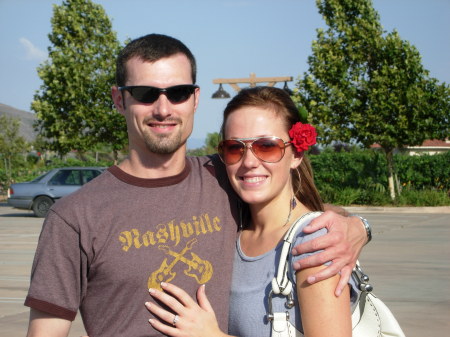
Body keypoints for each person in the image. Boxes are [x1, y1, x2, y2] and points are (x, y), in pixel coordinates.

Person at [25, 34, 369, 337]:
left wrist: (355, 227)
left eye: (177, 93)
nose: (163, 108)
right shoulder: (74, 216)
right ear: (119, 99)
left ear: (195, 98)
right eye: (145, 93)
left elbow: (291, 210)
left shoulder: (225, 175)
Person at [145, 86, 360, 337]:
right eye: (234, 148)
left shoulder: (314, 243)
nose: (248, 162)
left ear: (296, 154)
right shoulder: (230, 228)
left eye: (267, 146)